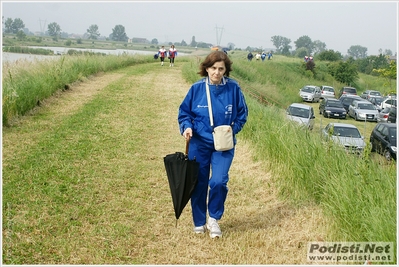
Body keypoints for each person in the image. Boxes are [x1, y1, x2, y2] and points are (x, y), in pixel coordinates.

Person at [178, 51, 248, 239]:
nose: (217, 72)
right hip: (199, 143)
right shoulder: (196, 89)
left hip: (223, 145)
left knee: (218, 181)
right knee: (199, 182)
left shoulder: (233, 88)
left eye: (221, 69)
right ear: (206, 68)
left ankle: (214, 219)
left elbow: (242, 114)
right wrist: (186, 128)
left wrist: (233, 129)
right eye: (213, 68)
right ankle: (199, 221)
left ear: (226, 71)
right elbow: (185, 114)